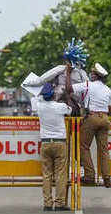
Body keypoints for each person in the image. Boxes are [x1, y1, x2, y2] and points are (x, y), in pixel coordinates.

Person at [66, 62, 111, 187]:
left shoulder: (88, 85)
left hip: (92, 117)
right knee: (103, 150)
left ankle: (89, 176)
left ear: (94, 76)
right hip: (105, 118)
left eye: (92, 73)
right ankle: (107, 178)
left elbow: (69, 89)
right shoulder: (107, 89)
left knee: (83, 146)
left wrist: (67, 72)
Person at [23, 38, 89, 116]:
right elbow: (88, 89)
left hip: (59, 96)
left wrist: (28, 83)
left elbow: (42, 80)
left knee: (38, 100)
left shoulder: (61, 68)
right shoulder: (82, 73)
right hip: (78, 102)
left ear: (67, 59)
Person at [36, 83, 72, 211]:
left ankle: (47, 203)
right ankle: (60, 203)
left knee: (46, 175)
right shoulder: (60, 106)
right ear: (53, 95)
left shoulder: (39, 106)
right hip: (60, 143)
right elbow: (70, 110)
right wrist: (65, 96)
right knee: (60, 175)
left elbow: (36, 97)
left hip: (45, 143)